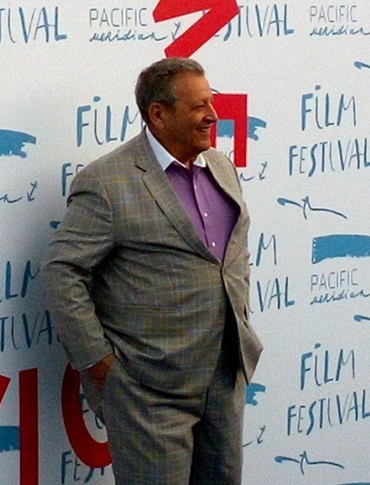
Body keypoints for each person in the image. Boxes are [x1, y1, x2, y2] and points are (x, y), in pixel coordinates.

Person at [42, 57, 262, 484]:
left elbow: (227, 259)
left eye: (211, 102)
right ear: (158, 114)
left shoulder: (221, 167)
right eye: (198, 106)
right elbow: (62, 272)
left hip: (223, 379)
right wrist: (100, 363)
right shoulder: (107, 182)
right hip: (148, 393)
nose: (213, 115)